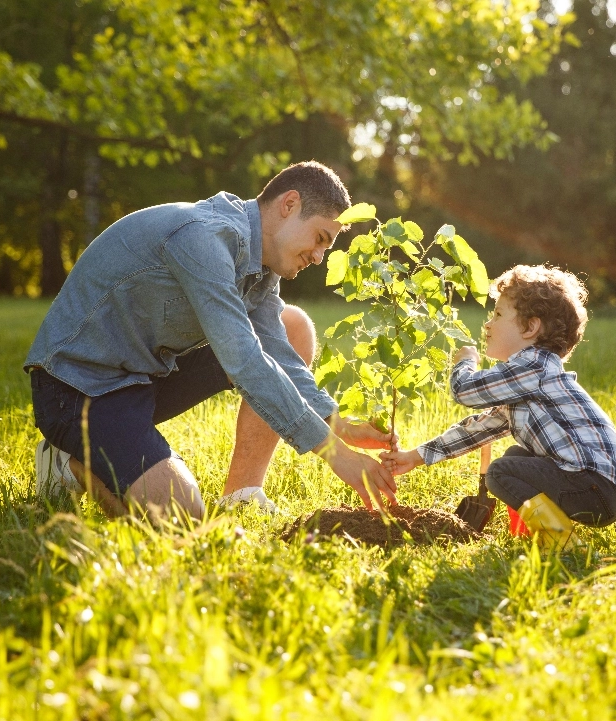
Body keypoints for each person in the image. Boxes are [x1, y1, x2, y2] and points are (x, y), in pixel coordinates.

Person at [26, 161, 397, 522]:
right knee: (182, 517)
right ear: (289, 205)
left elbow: (278, 352)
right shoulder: (204, 238)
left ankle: (242, 495)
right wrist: (335, 454)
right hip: (78, 388)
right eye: (320, 239)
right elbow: (245, 360)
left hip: (141, 377)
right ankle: (69, 463)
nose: (318, 257)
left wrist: (337, 424)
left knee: (292, 326)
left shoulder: (261, 266)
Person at [380, 264, 616, 548]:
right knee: (516, 456)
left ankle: (562, 543)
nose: (488, 324)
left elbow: (465, 391)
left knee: (500, 472)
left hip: (593, 486)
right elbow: (478, 429)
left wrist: (466, 363)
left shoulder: (533, 366)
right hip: (599, 488)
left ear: (530, 327)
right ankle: (533, 535)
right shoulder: (528, 380)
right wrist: (416, 456)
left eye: (498, 315)